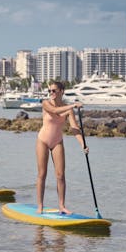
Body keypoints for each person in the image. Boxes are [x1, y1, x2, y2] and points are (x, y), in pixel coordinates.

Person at [35, 80, 87, 215]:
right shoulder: (46, 103)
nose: (51, 93)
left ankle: (62, 206)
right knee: (42, 174)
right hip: (43, 141)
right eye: (50, 91)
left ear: (61, 91)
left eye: (54, 91)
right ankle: (40, 206)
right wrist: (73, 105)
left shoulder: (68, 110)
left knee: (60, 175)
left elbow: (74, 128)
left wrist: (83, 145)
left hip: (57, 141)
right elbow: (54, 110)